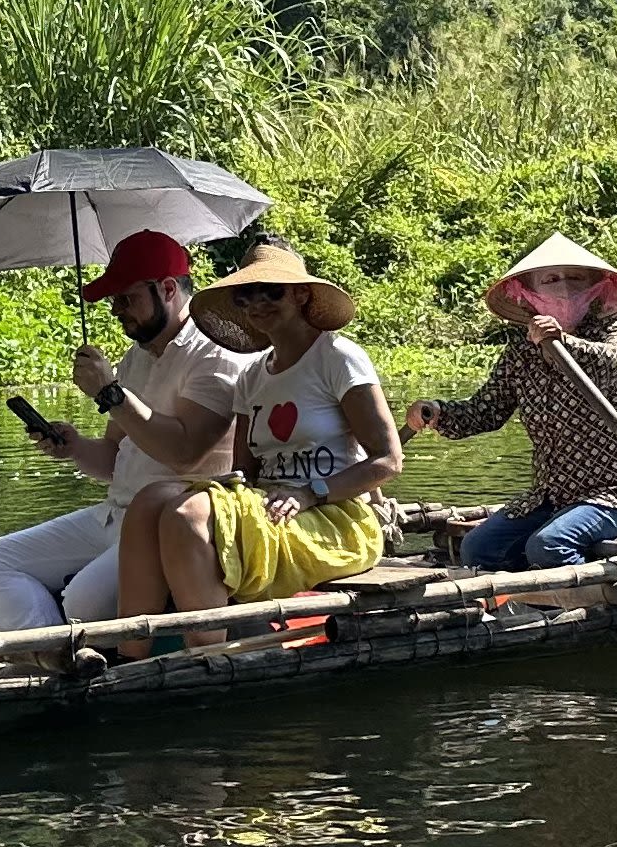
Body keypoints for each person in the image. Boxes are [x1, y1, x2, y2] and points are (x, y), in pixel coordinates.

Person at [109, 240, 402, 647]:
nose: (257, 304)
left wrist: (309, 494)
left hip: (335, 514)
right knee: (150, 499)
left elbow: (388, 460)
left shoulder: (337, 358)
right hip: (275, 507)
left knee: (188, 516)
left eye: (272, 291)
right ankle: (131, 657)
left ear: (301, 294)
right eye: (246, 296)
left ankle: (208, 658)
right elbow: (246, 474)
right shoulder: (251, 378)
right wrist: (226, 494)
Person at [0, 229, 249, 634]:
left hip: (171, 529)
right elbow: (115, 459)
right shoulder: (136, 356)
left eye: (126, 298)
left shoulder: (215, 353)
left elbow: (186, 452)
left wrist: (110, 392)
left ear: (168, 289)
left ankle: (59, 645)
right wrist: (76, 447)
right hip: (115, 516)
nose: (117, 310)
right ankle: (51, 656)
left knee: (82, 603)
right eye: (114, 300)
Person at [410, 235, 617, 572]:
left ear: (595, 287)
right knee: (478, 548)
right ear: (530, 294)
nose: (564, 288)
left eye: (575, 278)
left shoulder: (611, 331)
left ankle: (586, 603)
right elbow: (486, 411)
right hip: (550, 493)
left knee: (550, 544)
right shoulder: (520, 355)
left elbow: (615, 363)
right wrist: (437, 412)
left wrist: (561, 343)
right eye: (551, 280)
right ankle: (527, 601)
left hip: (613, 492)